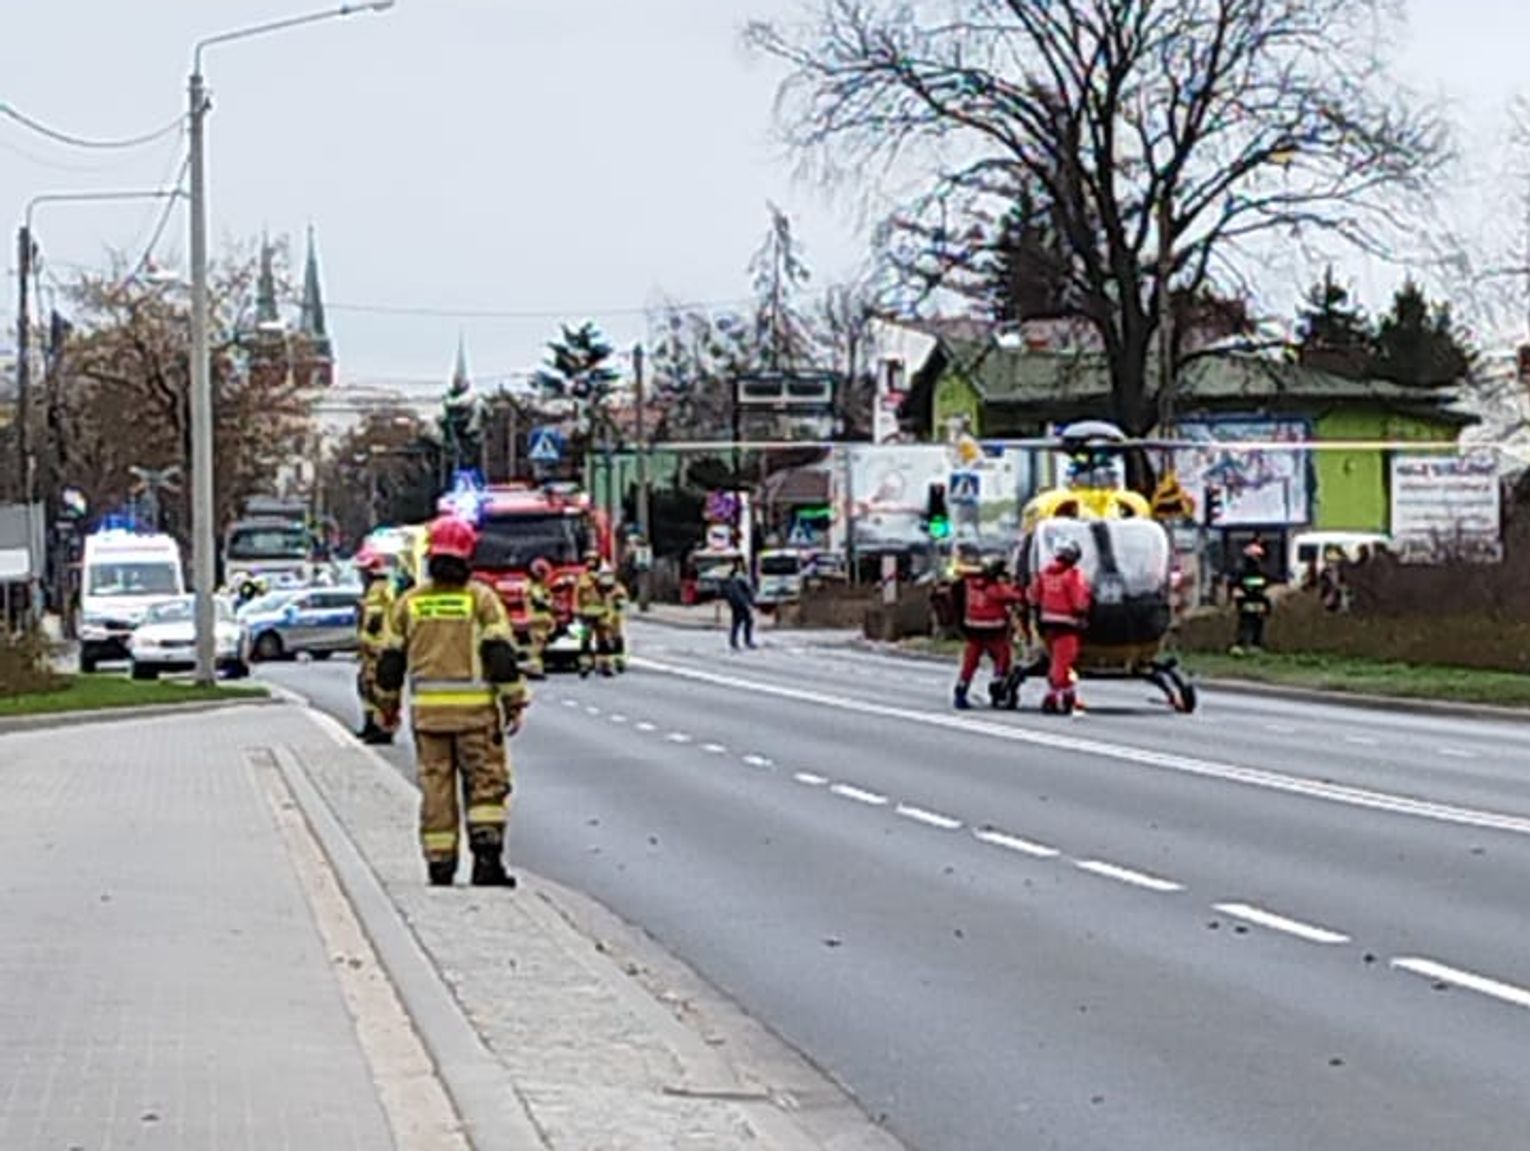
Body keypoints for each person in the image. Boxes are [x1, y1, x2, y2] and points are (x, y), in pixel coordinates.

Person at [376, 516, 528, 888]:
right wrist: (514, 702)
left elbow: (389, 662)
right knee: (486, 787)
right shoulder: (480, 600)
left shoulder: (410, 604)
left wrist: (387, 706)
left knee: (436, 788)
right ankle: (487, 863)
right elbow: (500, 656)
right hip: (476, 718)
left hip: (429, 720)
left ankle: (440, 864)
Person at [1028, 539, 1092, 715]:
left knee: (1057, 660)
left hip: (1048, 623)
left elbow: (1034, 597)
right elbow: (1079, 602)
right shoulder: (1072, 576)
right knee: (1063, 662)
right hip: (1068, 624)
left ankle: (1067, 693)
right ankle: (1053, 696)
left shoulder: (1045, 574)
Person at [953, 557, 1025, 710]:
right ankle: (997, 683)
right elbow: (1016, 596)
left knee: (970, 662)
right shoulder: (996, 589)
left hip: (973, 630)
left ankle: (961, 689)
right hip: (994, 631)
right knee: (1002, 657)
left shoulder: (970, 585)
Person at [354, 548, 398, 745]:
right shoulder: (373, 590)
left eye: (362, 571)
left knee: (381, 690)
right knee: (367, 688)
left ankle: (383, 728)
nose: (360, 576)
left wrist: (370, 642)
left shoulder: (380, 591)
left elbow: (376, 623)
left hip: (379, 650)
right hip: (370, 651)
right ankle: (370, 724)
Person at [1230, 542, 1272, 653]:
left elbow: (1264, 583)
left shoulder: (1257, 572)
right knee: (1247, 622)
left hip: (1254, 600)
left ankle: (1252, 644)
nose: (1259, 559)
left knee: (1254, 622)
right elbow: (1238, 584)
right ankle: (1243, 644)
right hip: (1250, 600)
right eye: (1258, 556)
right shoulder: (1246, 571)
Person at [575, 560, 614, 678]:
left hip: (590, 614)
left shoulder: (583, 579)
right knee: (600, 641)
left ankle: (588, 665)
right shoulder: (598, 578)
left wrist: (576, 610)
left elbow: (577, 595)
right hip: (595, 614)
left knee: (589, 641)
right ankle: (602, 665)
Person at [522, 557, 556, 680]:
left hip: (543, 618)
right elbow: (540, 600)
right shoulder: (531, 586)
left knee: (541, 643)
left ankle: (535, 667)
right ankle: (534, 668)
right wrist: (548, 601)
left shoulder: (541, 586)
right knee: (538, 643)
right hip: (536, 618)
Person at [722, 560, 756, 651]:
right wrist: (746, 604)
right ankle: (742, 641)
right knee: (743, 622)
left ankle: (737, 641)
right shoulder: (738, 579)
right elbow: (739, 594)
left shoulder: (737, 578)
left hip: (738, 604)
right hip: (740, 604)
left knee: (741, 622)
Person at [603, 568, 631, 672]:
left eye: (608, 576)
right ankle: (605, 662)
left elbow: (623, 601)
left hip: (614, 619)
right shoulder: (596, 587)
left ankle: (619, 660)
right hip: (600, 618)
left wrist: (619, 602)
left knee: (617, 639)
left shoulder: (618, 588)